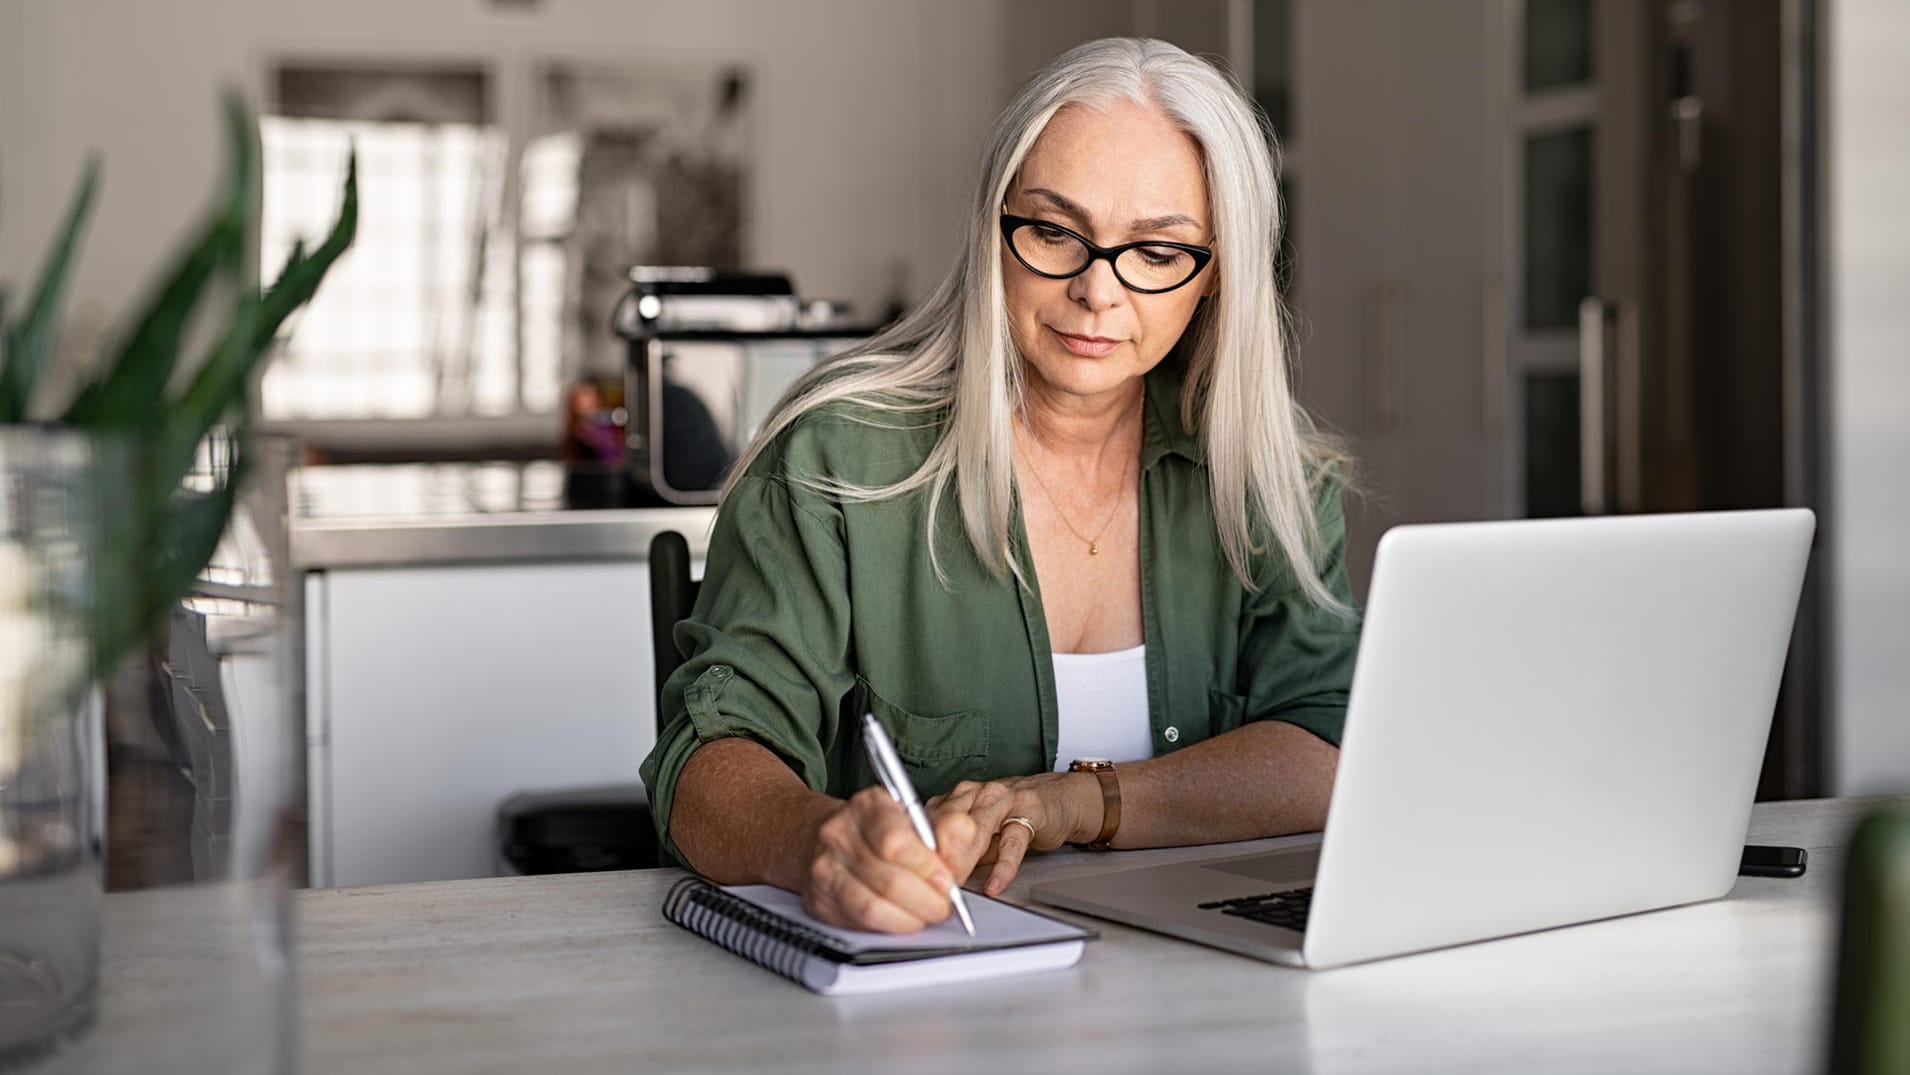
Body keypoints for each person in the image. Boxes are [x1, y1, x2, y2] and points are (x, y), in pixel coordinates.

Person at [639, 37, 1360, 934]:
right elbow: (707, 760)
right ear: (994, 229)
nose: (1098, 290)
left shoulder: (1269, 470)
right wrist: (813, 840)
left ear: (1216, 276)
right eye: (1056, 232)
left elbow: (1328, 748)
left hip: (1207, 979)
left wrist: (1074, 802)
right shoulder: (836, 454)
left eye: (1158, 250)